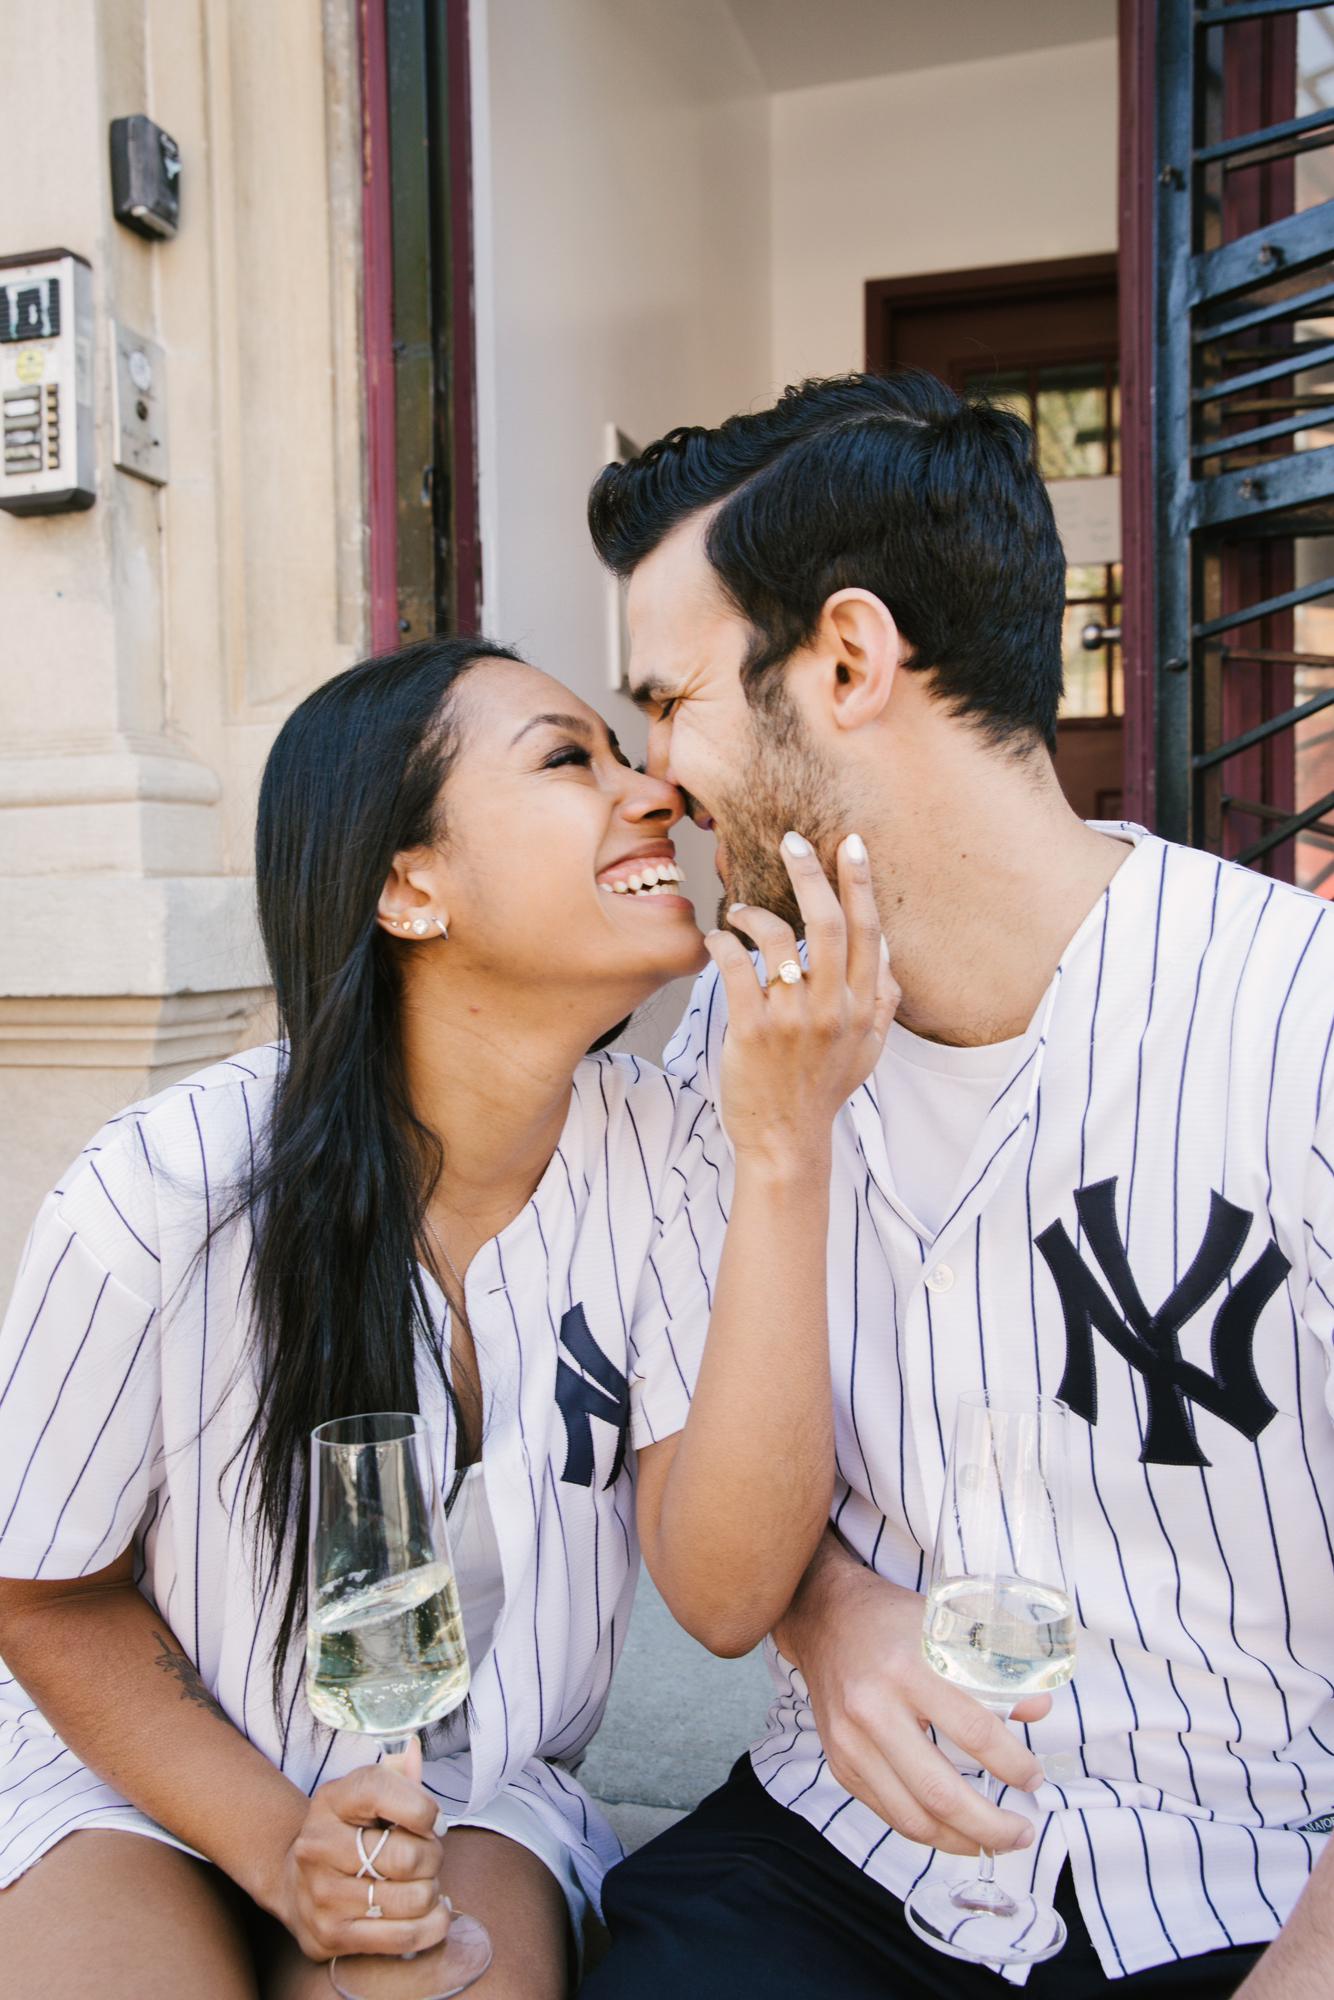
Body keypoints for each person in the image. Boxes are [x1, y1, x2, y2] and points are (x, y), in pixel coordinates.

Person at [578, 371, 1334, 1999]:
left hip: (1243, 1877)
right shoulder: (729, 1024)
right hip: (843, 1851)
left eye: (669, 701)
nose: (651, 778)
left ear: (848, 660)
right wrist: (827, 1609)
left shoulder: (1301, 1020)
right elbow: (716, 1595)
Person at [0, 636, 894, 1999]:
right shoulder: (163, 1190)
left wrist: (785, 1154)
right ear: (408, 886)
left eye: (624, 748)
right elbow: (42, 1595)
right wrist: (272, 1841)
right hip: (132, 1782)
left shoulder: (679, 1157)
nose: (651, 788)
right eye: (566, 758)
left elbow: (721, 1599)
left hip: (472, 1787)